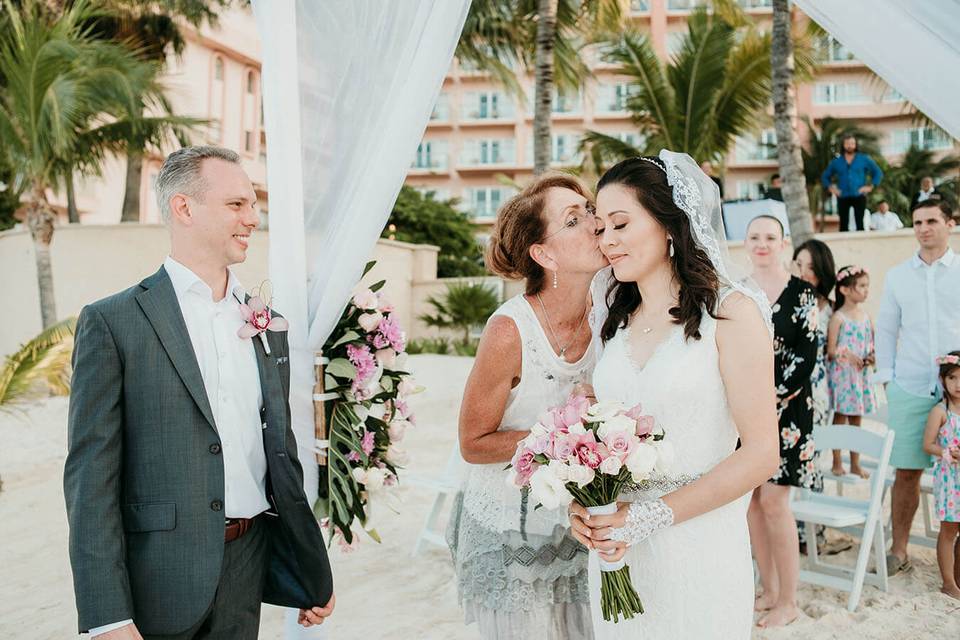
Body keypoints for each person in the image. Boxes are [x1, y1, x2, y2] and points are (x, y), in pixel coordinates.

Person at [63, 146, 334, 640]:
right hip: (156, 577)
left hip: (246, 568)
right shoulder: (112, 321)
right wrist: (107, 614)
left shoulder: (266, 323)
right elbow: (90, 478)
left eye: (254, 204)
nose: (253, 218)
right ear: (184, 208)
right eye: (236, 205)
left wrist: (311, 569)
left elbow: (279, 455)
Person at [568, 153, 779, 638]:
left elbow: (763, 453)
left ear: (669, 224)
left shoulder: (732, 312)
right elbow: (601, 440)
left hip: (697, 545)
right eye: (601, 229)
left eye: (620, 223)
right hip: (615, 550)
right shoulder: (612, 322)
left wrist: (648, 518)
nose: (608, 241)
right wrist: (583, 506)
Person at [446, 173, 606, 639]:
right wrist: (565, 439)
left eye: (591, 211)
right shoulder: (509, 331)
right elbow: (473, 444)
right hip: (509, 527)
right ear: (544, 253)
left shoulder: (613, 309)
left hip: (580, 522)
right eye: (574, 220)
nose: (596, 224)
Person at [877, 198, 960, 576]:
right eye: (917, 222)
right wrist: (887, 379)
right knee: (906, 473)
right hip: (909, 387)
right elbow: (887, 329)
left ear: (949, 223)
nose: (924, 228)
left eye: (931, 220)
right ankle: (900, 550)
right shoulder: (897, 276)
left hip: (958, 391)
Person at [744, 214, 819, 627]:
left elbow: (807, 358)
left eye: (770, 237)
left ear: (783, 243)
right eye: (755, 236)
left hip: (788, 412)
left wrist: (765, 398)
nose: (762, 243)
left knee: (775, 501)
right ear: (746, 241)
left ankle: (789, 600)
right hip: (744, 411)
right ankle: (769, 589)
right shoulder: (737, 291)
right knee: (753, 501)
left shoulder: (803, 293)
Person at [792, 239, 836, 552]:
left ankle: (812, 535)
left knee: (812, 461)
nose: (805, 272)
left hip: (816, 394)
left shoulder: (829, 311)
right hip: (784, 391)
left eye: (811, 267)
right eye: (799, 264)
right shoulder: (784, 301)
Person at [828, 265, 878, 478]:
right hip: (843, 376)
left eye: (868, 286)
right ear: (845, 290)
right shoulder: (839, 318)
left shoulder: (866, 317)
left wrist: (871, 357)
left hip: (860, 376)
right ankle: (837, 461)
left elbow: (873, 344)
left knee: (857, 420)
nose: (866, 290)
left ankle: (856, 463)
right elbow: (830, 350)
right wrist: (846, 355)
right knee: (840, 416)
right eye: (862, 286)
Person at [922, 352, 960, 600]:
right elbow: (927, 444)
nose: (958, 384)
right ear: (943, 380)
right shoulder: (941, 411)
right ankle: (948, 582)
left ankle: (957, 578)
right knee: (949, 529)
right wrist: (946, 452)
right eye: (953, 378)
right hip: (950, 478)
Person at [821, 135, 883, 232]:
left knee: (860, 224)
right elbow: (825, 176)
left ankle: (860, 245)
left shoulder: (864, 159)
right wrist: (832, 189)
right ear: (843, 145)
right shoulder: (837, 162)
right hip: (843, 196)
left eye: (852, 143)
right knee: (843, 225)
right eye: (847, 144)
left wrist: (870, 186)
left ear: (855, 145)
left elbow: (877, 172)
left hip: (859, 194)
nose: (850, 146)